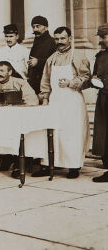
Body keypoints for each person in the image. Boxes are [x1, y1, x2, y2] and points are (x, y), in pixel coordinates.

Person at [35, 26, 90, 179]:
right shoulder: (51, 58)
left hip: (72, 101)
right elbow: (45, 81)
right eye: (57, 39)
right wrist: (45, 98)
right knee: (53, 133)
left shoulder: (77, 56)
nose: (59, 42)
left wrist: (71, 83)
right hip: (55, 101)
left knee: (72, 133)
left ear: (70, 38)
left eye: (62, 38)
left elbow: (86, 78)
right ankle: (49, 164)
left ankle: (73, 166)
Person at [91, 24, 108, 182]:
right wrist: (93, 79)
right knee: (104, 133)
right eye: (100, 37)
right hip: (103, 98)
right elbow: (95, 75)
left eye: (104, 37)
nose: (101, 40)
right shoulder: (100, 56)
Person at [27, 16, 57, 94]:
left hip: (45, 83)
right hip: (35, 82)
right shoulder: (36, 41)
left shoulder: (52, 42)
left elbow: (54, 61)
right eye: (33, 27)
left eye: (38, 26)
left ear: (46, 28)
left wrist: (38, 62)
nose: (35, 29)